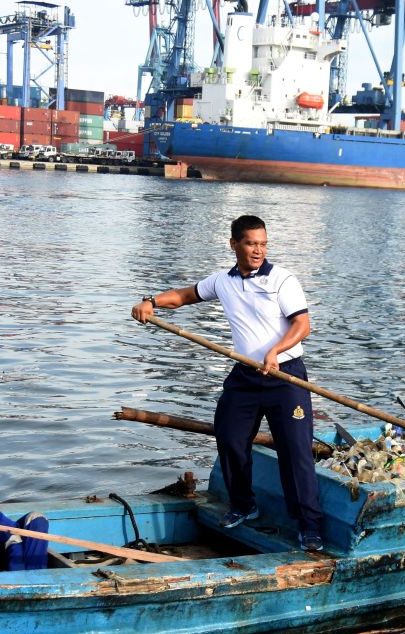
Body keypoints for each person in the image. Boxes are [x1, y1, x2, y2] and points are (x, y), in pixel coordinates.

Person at [132, 214, 325, 552]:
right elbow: (185, 295)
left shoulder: (282, 280)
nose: (258, 250)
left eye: (263, 244)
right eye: (251, 243)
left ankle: (309, 525)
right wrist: (151, 302)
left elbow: (302, 326)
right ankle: (244, 505)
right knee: (229, 436)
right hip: (246, 376)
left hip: (285, 375)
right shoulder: (223, 281)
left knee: (295, 453)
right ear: (234, 244)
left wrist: (276, 351)